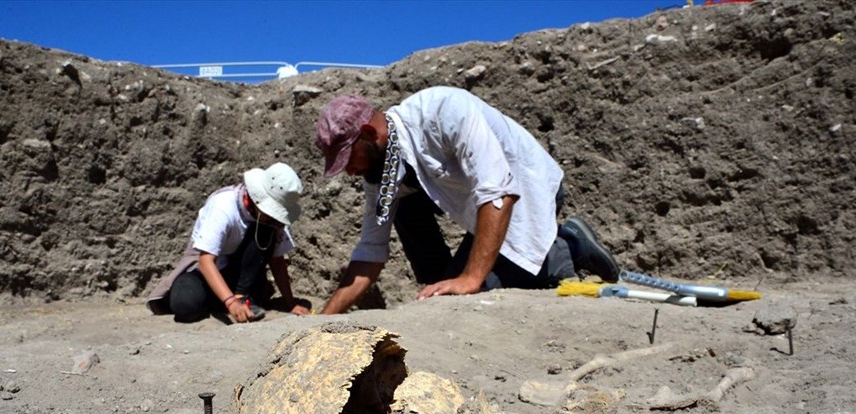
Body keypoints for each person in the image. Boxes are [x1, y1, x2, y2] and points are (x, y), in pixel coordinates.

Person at [313, 86, 621, 314]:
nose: (350, 172)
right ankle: (447, 277)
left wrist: (472, 279)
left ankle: (565, 245)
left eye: (348, 160)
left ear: (368, 133)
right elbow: (370, 250)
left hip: (527, 194)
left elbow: (498, 191)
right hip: (487, 212)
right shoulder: (381, 167)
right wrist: (322, 321)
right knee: (409, 220)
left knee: (480, 295)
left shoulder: (443, 111)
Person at [146, 162, 310, 323]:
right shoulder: (223, 206)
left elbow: (277, 261)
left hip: (239, 276)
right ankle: (221, 300)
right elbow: (205, 261)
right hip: (203, 272)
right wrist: (230, 302)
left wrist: (291, 304)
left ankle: (242, 297)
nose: (273, 217)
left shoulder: (271, 221)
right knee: (185, 305)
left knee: (265, 230)